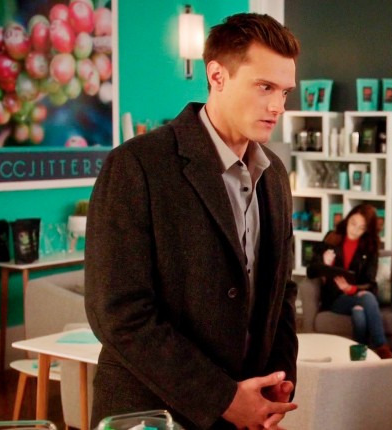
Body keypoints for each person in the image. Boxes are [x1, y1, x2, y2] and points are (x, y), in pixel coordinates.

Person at [84, 13, 300, 430]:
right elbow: (118, 314)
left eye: (285, 91)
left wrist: (278, 380)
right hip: (152, 413)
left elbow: (282, 293)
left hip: (246, 414)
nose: (278, 106)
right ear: (217, 76)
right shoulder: (136, 164)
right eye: (265, 87)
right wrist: (223, 398)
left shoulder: (275, 174)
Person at [306, 203, 392, 359]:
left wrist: (350, 288)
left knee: (359, 312)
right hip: (334, 299)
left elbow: (370, 282)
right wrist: (324, 263)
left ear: (367, 230)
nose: (354, 230)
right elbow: (311, 271)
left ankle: (358, 357)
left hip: (357, 295)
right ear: (348, 219)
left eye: (361, 228)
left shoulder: (370, 247)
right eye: (353, 223)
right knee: (367, 299)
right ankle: (382, 347)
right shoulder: (332, 237)